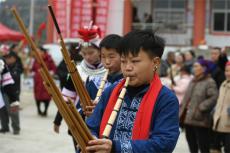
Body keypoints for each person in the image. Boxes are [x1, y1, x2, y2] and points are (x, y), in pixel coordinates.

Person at [85, 30, 180, 153]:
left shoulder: (166, 99)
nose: (127, 68)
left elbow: (164, 143)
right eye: (123, 61)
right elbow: (92, 126)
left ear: (155, 62)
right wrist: (91, 139)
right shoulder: (110, 91)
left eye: (135, 61)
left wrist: (115, 147)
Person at [180, 59, 218, 153]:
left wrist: (201, 108)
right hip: (189, 118)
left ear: (204, 68)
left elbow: (213, 97)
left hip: (200, 119)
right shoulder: (192, 81)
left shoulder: (209, 81)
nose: (194, 68)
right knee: (192, 145)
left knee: (203, 146)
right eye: (193, 66)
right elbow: (186, 98)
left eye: (196, 66)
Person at [31, 46, 56, 116]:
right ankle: (38, 109)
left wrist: (50, 73)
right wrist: (33, 74)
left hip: (46, 80)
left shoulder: (49, 59)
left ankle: (45, 110)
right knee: (37, 95)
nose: (38, 53)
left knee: (47, 96)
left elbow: (53, 68)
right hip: (38, 81)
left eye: (39, 51)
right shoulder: (36, 59)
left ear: (43, 52)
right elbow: (33, 69)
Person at [212, 61, 230, 153]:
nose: (228, 73)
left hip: (228, 124)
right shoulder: (223, 84)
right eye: (226, 71)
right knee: (215, 148)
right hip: (219, 122)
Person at [0, 57, 20, 134]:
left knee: (12, 109)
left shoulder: (1, 62)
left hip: (7, 90)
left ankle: (16, 128)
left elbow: (8, 80)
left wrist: (14, 98)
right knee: (2, 110)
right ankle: (5, 127)